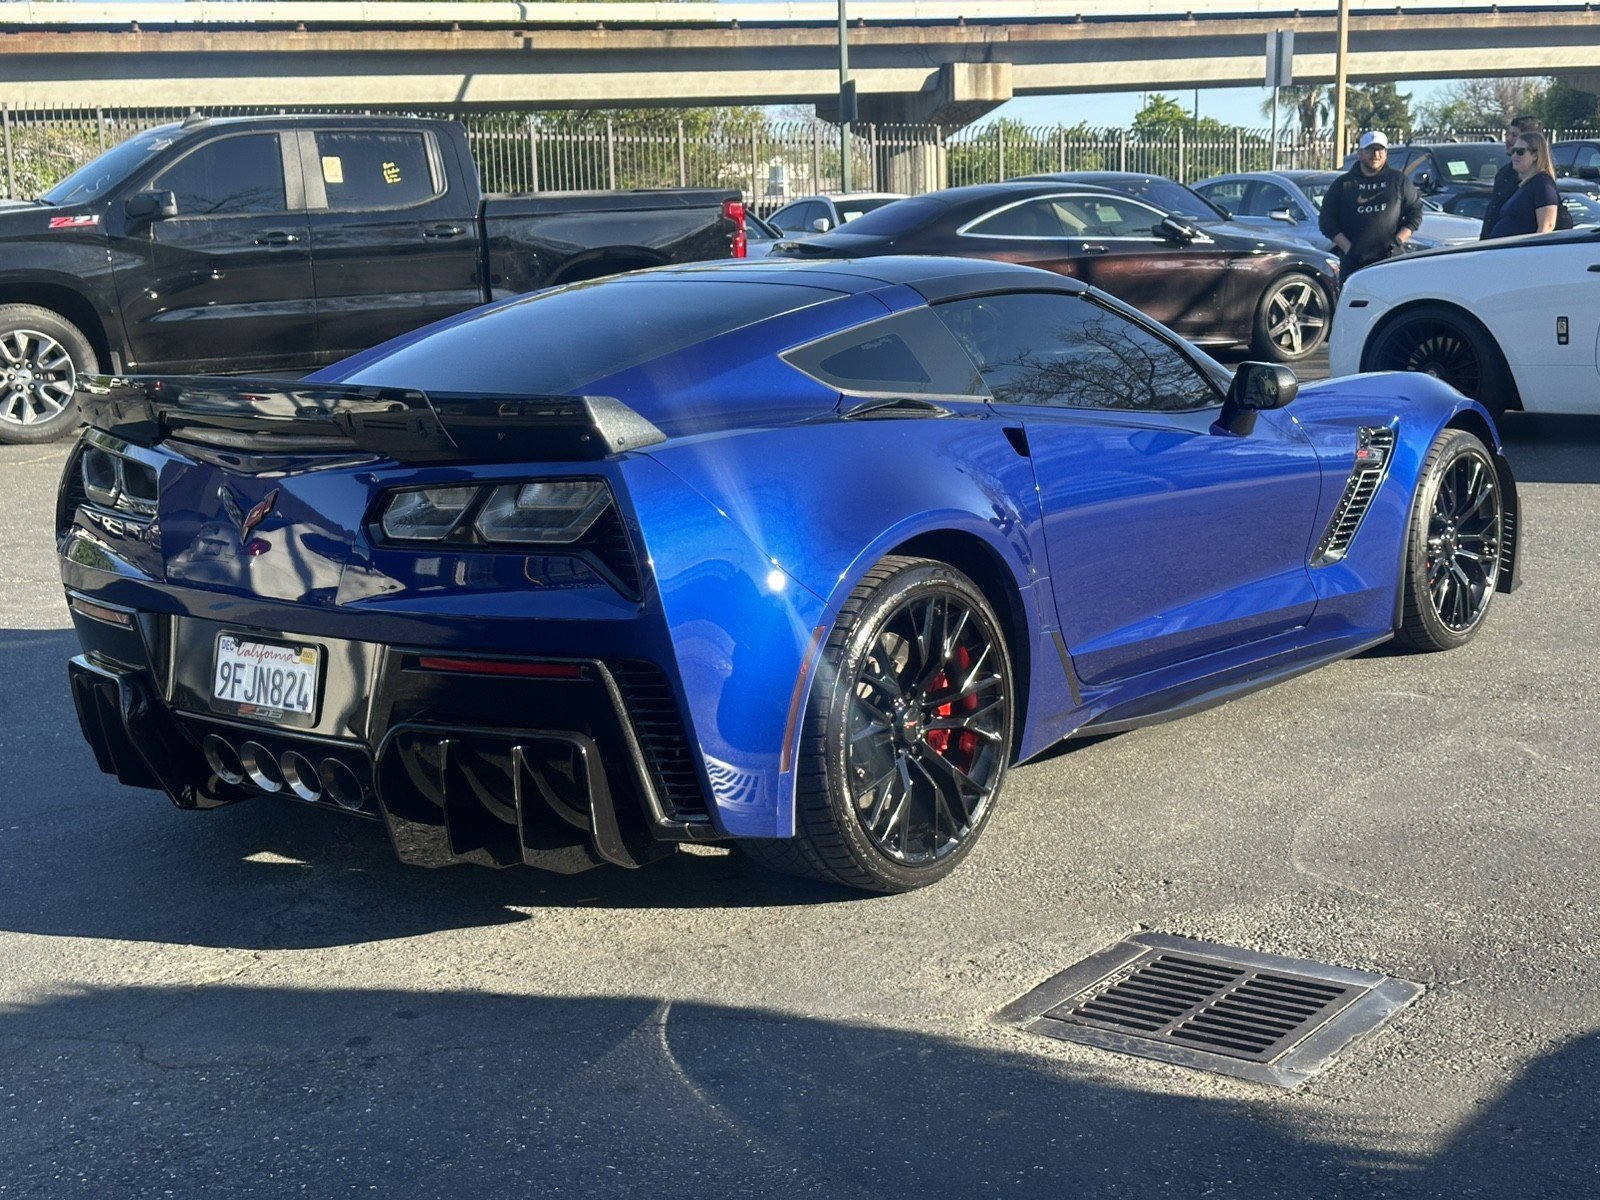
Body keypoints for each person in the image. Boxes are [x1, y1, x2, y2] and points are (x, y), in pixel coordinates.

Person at [1319, 131, 1424, 274]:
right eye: (1369, 150)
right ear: (1360, 153)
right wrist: (1348, 248)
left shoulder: (1398, 180)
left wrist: (1399, 240)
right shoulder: (1343, 184)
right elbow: (1326, 221)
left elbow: (1415, 211)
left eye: (1379, 149)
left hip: (1390, 262)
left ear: (1386, 153)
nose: (1375, 154)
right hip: (1354, 265)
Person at [1488, 131, 1563, 238]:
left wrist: (1532, 254)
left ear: (1535, 155)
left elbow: (1546, 227)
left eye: (1520, 152)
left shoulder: (1543, 182)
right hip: (1504, 250)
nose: (1514, 156)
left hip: (1521, 252)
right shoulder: (1525, 184)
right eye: (1513, 151)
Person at [1480, 115, 1544, 238]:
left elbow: (1546, 226)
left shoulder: (1541, 180)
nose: (1508, 139)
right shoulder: (1504, 172)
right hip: (1492, 245)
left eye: (1514, 135)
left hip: (1515, 250)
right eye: (1507, 134)